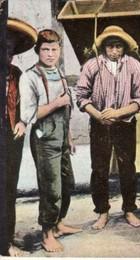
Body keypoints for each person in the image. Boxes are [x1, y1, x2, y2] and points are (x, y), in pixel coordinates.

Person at [76, 25, 140, 229]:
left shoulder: (133, 65)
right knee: (99, 169)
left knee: (128, 167)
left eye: (118, 47)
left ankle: (129, 209)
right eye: (110, 47)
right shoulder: (92, 65)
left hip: (124, 124)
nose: (114, 51)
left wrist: (118, 113)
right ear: (104, 48)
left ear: (124, 47)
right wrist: (98, 115)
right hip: (100, 126)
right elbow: (81, 95)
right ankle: (102, 211)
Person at [19, 29, 82, 253]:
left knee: (68, 184)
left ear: (59, 50)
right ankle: (47, 234)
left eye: (54, 49)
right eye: (45, 49)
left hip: (62, 139)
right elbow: (28, 115)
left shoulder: (59, 72)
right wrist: (56, 102)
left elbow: (67, 109)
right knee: (51, 190)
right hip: (44, 140)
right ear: (38, 51)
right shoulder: (30, 77)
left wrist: (69, 137)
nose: (50, 54)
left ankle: (58, 224)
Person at [3, 17, 37, 257]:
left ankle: (5, 240)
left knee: (8, 189)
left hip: (11, 135)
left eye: (10, 49)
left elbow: (27, 105)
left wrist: (24, 122)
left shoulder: (17, 74)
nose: (7, 54)